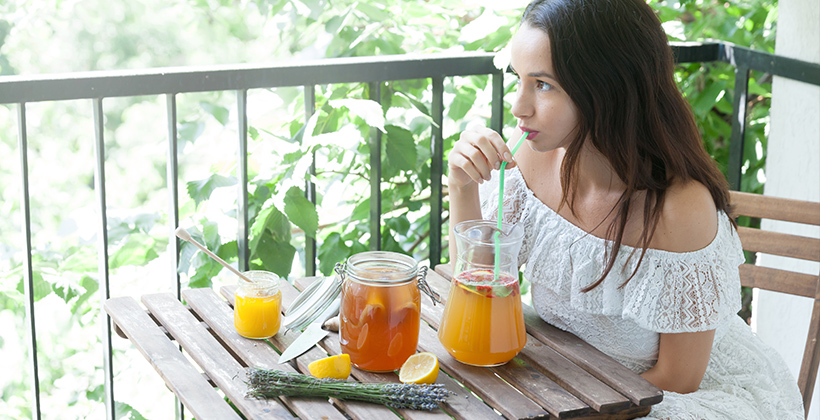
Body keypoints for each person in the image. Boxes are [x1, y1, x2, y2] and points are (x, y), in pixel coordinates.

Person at [447, 0, 805, 418]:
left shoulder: (680, 210)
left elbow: (679, 377)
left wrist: (564, 408)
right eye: (519, 79)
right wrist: (462, 186)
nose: (518, 106)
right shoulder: (532, 156)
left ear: (606, 87)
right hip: (572, 380)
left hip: (665, 398)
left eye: (542, 85)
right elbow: (476, 288)